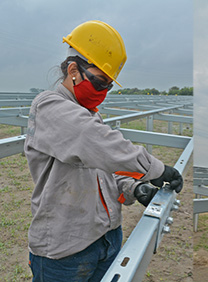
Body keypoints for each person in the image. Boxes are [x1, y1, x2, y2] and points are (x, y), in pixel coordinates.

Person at [24, 20, 183, 281]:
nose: (103, 92)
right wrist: (155, 169)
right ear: (73, 69)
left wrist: (133, 187)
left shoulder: (87, 114)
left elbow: (102, 166)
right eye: (99, 82)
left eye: (108, 86)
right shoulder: (48, 106)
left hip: (106, 238)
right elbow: (97, 143)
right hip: (66, 251)